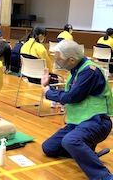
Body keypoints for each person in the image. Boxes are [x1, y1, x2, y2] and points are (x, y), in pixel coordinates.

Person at [41, 39, 113, 180]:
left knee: (70, 141)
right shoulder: (77, 70)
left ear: (72, 60)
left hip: (97, 122)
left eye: (59, 59)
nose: (57, 62)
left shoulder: (89, 71)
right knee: (48, 148)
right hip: (79, 122)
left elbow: (73, 97)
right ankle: (87, 154)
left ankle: (104, 176)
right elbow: (74, 93)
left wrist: (47, 91)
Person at [20, 27, 64, 110]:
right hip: (40, 79)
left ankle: (55, 101)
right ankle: (61, 103)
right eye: (44, 36)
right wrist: (53, 73)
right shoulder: (40, 48)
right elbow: (47, 66)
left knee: (54, 78)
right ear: (40, 35)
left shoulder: (24, 45)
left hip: (29, 77)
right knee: (60, 80)